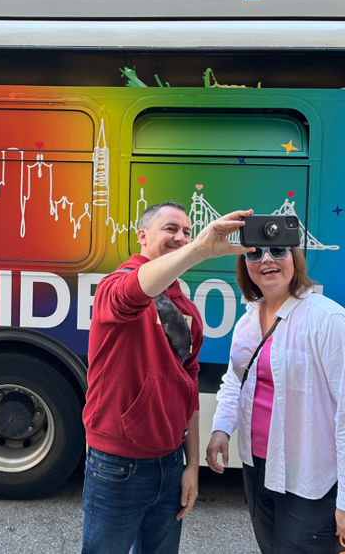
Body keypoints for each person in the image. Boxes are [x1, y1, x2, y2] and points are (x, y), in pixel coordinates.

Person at [81, 202, 252, 554]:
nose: (181, 237)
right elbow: (134, 291)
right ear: (142, 236)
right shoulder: (116, 285)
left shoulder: (187, 310)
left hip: (172, 464)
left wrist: (192, 467)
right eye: (171, 229)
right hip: (117, 465)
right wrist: (198, 249)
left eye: (187, 232)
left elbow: (189, 390)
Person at [206, 245, 345, 554]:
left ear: (295, 258)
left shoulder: (329, 321)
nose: (266, 260)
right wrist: (222, 427)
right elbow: (236, 379)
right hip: (256, 468)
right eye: (254, 254)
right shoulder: (249, 320)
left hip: (309, 478)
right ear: (245, 265)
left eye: (277, 250)